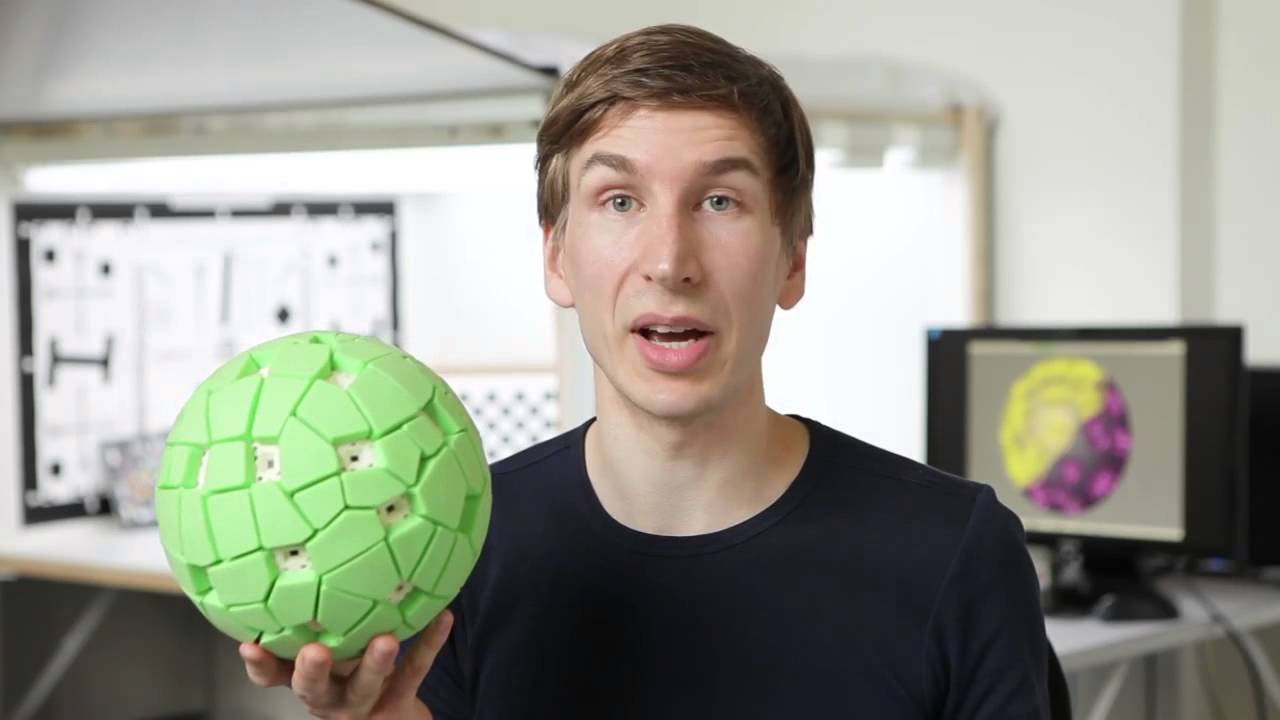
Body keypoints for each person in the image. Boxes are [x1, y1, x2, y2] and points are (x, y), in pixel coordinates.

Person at [240, 23, 1050, 719]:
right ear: (557, 256)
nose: (670, 261)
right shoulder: (450, 550)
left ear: (793, 260)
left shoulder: (956, 555)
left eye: (720, 201)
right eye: (620, 201)